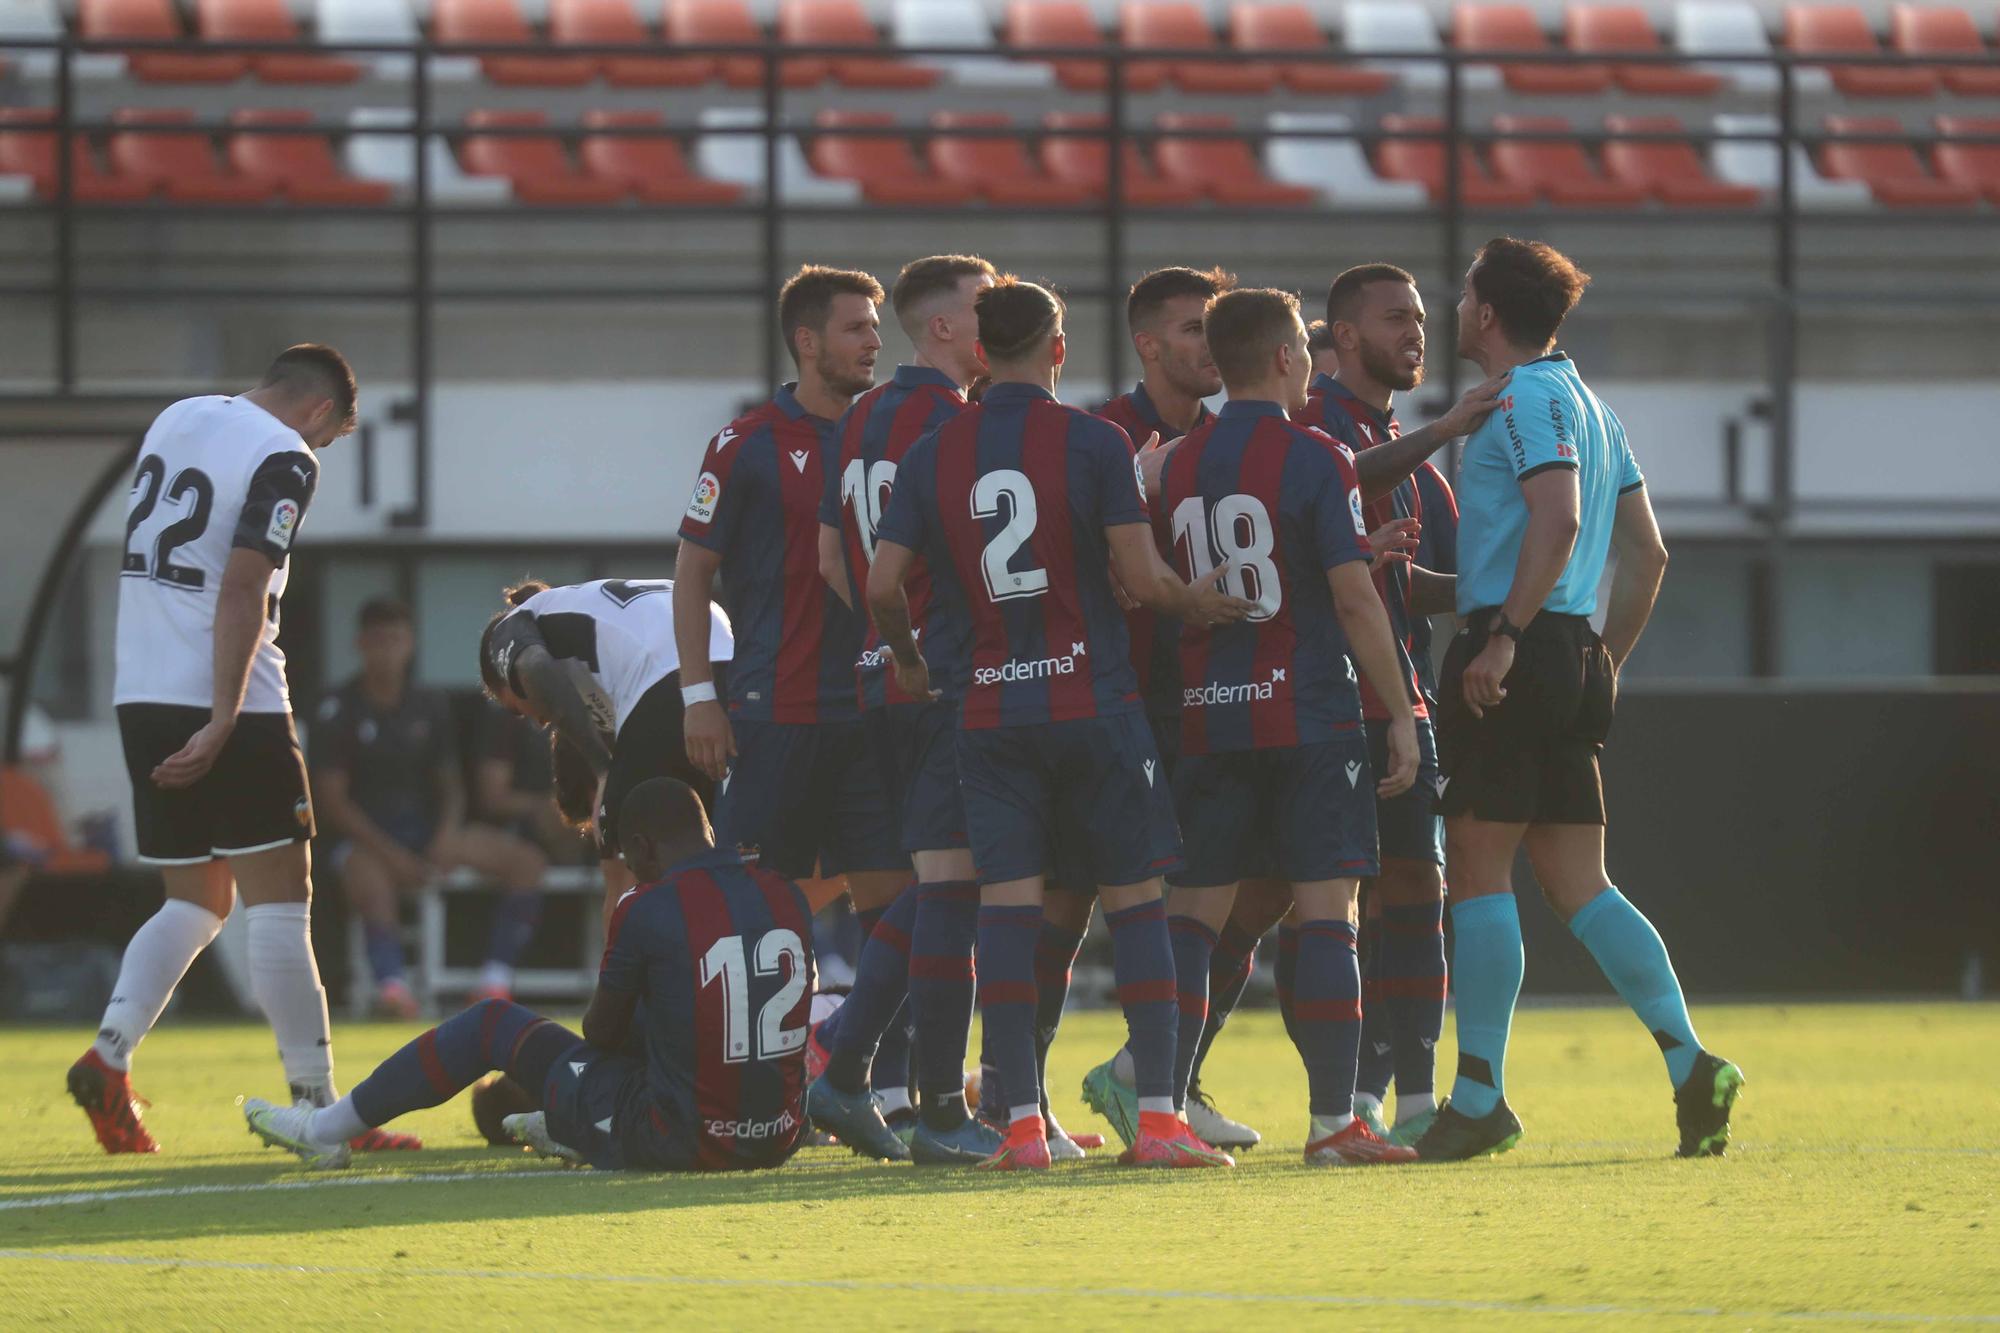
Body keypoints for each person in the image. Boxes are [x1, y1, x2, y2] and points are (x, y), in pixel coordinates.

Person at [867, 277, 1251, 1171]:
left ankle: (1022, 1126)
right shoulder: (1094, 440)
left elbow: (885, 585)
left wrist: (912, 659)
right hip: (1094, 703)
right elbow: (1148, 581)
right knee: (1137, 902)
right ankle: (1160, 1120)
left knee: (1008, 913)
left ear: (979, 350)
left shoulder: (934, 452)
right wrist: (1197, 599)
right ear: (1057, 348)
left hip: (992, 710)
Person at [1419, 236, 1742, 1162]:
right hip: (1574, 651)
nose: (1456, 309)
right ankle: (1690, 1064)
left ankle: (1479, 1096)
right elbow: (1648, 554)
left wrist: (1509, 636)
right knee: (1579, 883)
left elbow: (1556, 519)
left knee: (1479, 873)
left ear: (1485, 312)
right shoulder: (1596, 408)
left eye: (1464, 295)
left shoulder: (1522, 400)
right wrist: (1601, 659)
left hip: (1514, 646)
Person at [74, 345, 416, 1154]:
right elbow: (240, 585)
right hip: (231, 696)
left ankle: (109, 1052)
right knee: (280, 902)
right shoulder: (286, 453)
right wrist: (227, 715)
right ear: (320, 415)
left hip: (141, 690)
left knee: (195, 898)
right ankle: (320, 1107)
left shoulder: (177, 416)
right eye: (327, 440)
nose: (319, 452)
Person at [1154, 288, 1422, 1166]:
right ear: (1280, 359)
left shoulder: (1180, 463)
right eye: (1303, 353)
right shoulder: (1318, 454)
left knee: (1193, 919)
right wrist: (1399, 715)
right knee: (1327, 915)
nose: (1311, 365)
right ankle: (1333, 1122)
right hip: (1308, 712)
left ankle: (1161, 1111)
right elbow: (1351, 597)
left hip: (1210, 716)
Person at [243, 777, 816, 1173]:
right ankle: (573, 1124)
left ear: (642, 846)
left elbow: (603, 1036)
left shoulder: (648, 905)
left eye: (629, 857)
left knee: (492, 1022)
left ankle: (322, 1131)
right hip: (780, 1136)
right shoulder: (784, 893)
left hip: (682, 1139)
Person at [673, 265, 912, 1162]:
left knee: (899, 905)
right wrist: (703, 694)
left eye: (876, 326)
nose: (872, 341)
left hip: (869, 713)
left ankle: (876, 1085)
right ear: (807, 342)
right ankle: (725, 1086)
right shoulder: (744, 443)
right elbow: (693, 572)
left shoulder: (888, 432)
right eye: (856, 327)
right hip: (773, 712)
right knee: (747, 911)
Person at [813, 253, 1004, 1162]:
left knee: (934, 890)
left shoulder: (856, 421)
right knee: (954, 893)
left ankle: (850, 1076)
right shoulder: (951, 421)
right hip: (942, 679)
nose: (995, 318)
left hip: (877, 677)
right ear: (942, 328)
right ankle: (933, 1108)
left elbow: (828, 562)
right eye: (983, 306)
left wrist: (885, 633)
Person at [1082, 265, 1269, 1153]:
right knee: (1064, 902)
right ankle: (1016, 1097)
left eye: (1216, 329)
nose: (1209, 344)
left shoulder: (1238, 439)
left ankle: (1164, 1077)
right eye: (1193, 329)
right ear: (1149, 344)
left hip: (1217, 700)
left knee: (1240, 898)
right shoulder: (1102, 437)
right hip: (1116, 705)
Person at [1299, 263, 1459, 1147]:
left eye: (1421, 317)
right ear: (1345, 336)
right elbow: (1333, 495)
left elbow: (1412, 583)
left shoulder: (1405, 449)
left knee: (1416, 891)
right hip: (1327, 703)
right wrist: (1446, 427)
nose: (1417, 332)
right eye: (1397, 318)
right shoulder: (1317, 424)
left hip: (1405, 695)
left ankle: (1414, 1098)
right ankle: (1341, 1097)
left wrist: (1510, 589)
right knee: (1304, 903)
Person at [314, 598, 547, 1016]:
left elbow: (451, 785)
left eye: (396, 640)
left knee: (526, 862)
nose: (387, 651)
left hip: (425, 830)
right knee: (368, 877)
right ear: (360, 644)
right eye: (378, 641)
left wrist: (444, 835)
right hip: (366, 839)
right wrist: (391, 854)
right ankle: (392, 987)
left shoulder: (429, 704)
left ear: (410, 644)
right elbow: (332, 801)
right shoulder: (338, 707)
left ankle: (494, 981)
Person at [478, 577, 733, 923]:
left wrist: (603, 773)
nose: (535, 722)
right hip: (734, 673)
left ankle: (620, 976)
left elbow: (535, 669)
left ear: (502, 676)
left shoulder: (511, 627)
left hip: (666, 679)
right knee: (732, 860)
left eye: (512, 708)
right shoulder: (589, 630)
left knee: (622, 879)